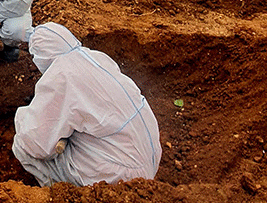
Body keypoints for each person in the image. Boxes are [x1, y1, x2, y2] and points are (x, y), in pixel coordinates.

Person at [12, 22, 162, 187]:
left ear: (40, 56)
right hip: (150, 158)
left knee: (22, 145)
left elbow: (37, 145)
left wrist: (22, 118)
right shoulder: (96, 58)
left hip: (119, 177)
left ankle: (60, 196)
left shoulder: (61, 76)